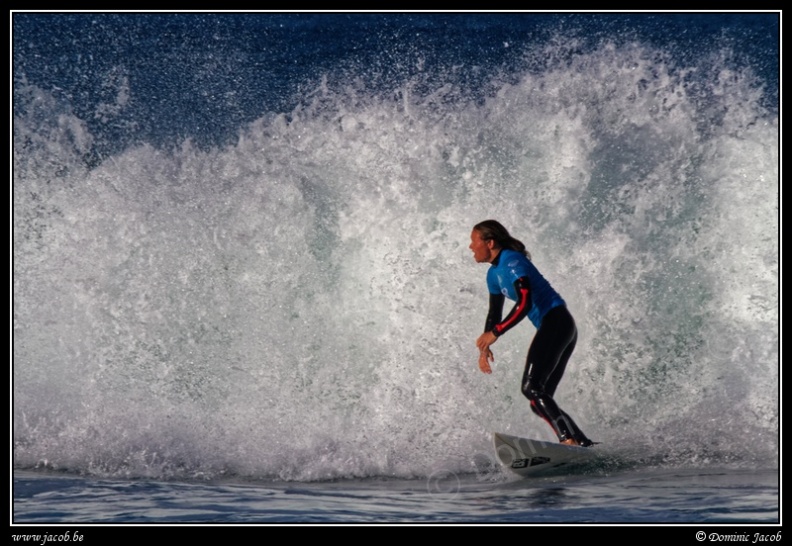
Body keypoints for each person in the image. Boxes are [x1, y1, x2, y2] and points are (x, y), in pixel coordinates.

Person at [470, 220, 594, 447]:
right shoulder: (492, 275)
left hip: (557, 321)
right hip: (556, 326)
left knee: (531, 388)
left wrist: (496, 333)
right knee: (539, 400)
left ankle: (568, 440)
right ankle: (583, 443)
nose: (470, 247)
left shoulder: (512, 260)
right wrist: (484, 347)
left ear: (489, 243)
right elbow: (494, 313)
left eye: (473, 241)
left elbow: (525, 302)